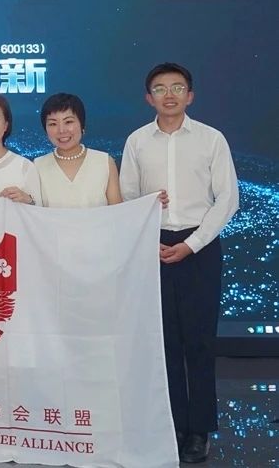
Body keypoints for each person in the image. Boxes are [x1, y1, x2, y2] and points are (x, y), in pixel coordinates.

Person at [119, 62, 238, 464]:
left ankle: (199, 430)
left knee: (200, 343)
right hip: (153, 246)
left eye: (177, 87)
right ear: (148, 97)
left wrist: (192, 244)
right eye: (160, 88)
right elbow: (127, 195)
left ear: (190, 95)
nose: (168, 94)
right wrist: (147, 222)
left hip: (199, 246)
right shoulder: (137, 141)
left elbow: (227, 199)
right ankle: (171, 424)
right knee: (163, 342)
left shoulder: (211, 139)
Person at [33, 93, 122, 208]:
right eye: (53, 124)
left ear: (82, 125)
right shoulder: (37, 166)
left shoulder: (104, 162)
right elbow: (34, 212)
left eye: (68, 122)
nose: (61, 130)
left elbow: (117, 212)